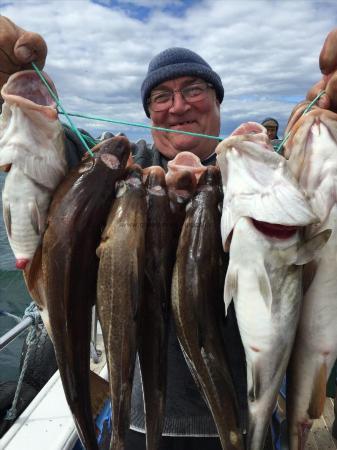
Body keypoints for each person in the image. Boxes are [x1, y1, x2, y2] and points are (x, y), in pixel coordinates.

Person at [0, 15, 336, 450]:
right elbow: (62, 157)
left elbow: (316, 191)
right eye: (161, 96)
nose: (178, 106)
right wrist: (24, 106)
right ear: (149, 114)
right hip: (139, 419)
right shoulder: (126, 171)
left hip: (244, 415)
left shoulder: (262, 174)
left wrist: (320, 129)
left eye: (194, 90)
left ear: (218, 104)